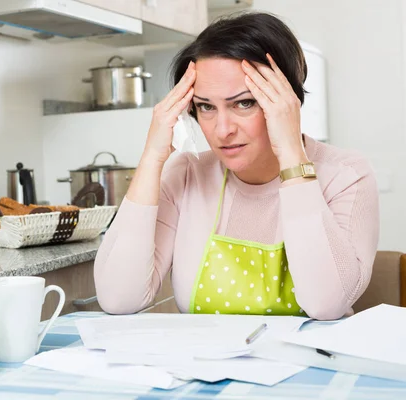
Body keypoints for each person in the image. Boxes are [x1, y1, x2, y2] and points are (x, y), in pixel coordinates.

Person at [93, 12, 380, 321]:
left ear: (286, 99)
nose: (222, 129)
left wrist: (292, 156)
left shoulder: (346, 175)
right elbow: (117, 298)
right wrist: (152, 157)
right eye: (206, 107)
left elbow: (326, 304)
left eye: (244, 103)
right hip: (206, 367)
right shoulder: (186, 175)